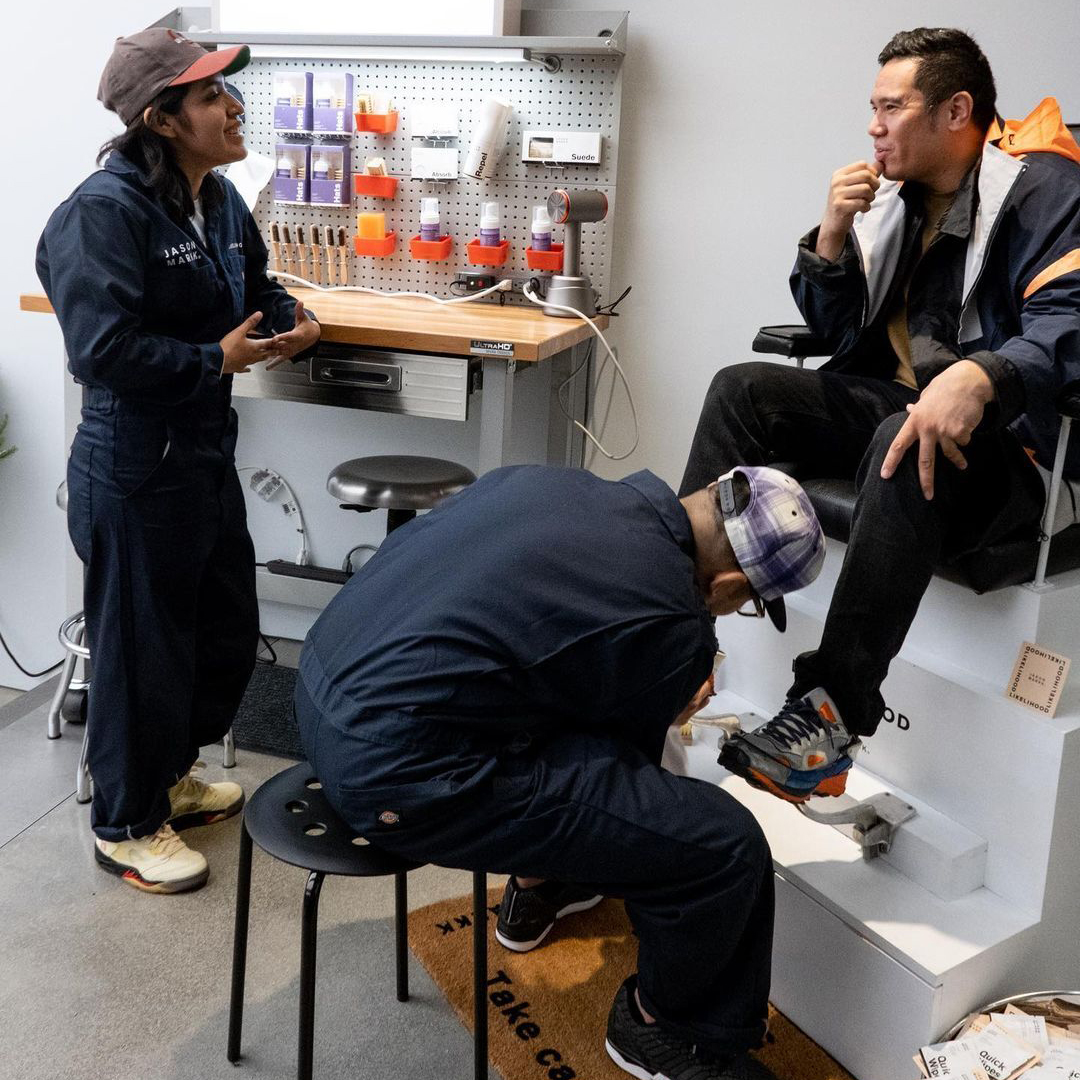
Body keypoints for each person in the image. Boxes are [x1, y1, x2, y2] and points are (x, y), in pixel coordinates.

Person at [295, 463, 825, 1080]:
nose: (738, 609)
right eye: (749, 602)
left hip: (318, 687)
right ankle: (665, 1031)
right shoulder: (675, 621)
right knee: (723, 849)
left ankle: (541, 884)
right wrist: (674, 698)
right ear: (730, 582)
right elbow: (628, 773)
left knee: (561, 715)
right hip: (392, 770)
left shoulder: (552, 483)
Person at [680, 27, 1080, 804]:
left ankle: (829, 716)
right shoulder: (895, 198)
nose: (873, 126)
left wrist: (984, 374)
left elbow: (1069, 324)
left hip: (1014, 449)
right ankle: (672, 633)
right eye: (873, 107)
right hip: (898, 406)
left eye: (891, 108)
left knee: (907, 431)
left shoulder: (1046, 192)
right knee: (741, 389)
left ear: (956, 110)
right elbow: (839, 335)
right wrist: (830, 239)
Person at [36, 28, 321, 893]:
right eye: (210, 96)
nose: (234, 107)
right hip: (131, 463)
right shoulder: (103, 212)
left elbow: (255, 286)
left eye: (227, 90)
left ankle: (169, 777)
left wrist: (291, 320)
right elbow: (101, 350)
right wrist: (212, 361)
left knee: (223, 631)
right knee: (140, 651)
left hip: (201, 453)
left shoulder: (219, 198)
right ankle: (126, 823)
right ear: (162, 119)